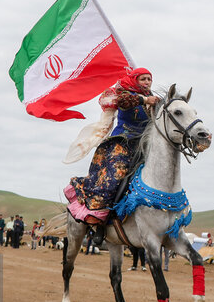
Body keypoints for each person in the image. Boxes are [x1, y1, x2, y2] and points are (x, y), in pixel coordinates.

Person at [64, 68, 160, 244]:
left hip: (144, 146)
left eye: (149, 79)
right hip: (122, 142)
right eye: (143, 79)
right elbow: (123, 101)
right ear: (135, 80)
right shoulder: (124, 92)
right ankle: (101, 223)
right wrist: (145, 99)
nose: (147, 82)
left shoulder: (154, 99)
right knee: (115, 177)